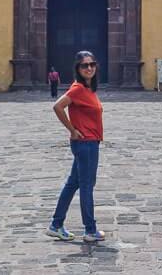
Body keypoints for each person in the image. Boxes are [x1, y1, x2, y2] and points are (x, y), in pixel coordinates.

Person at [47, 51, 106, 244]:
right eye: (84, 65)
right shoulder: (78, 89)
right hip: (86, 144)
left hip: (88, 143)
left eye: (92, 64)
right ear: (77, 69)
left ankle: (56, 225)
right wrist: (72, 130)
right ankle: (90, 230)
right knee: (87, 186)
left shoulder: (88, 89)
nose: (89, 68)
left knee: (73, 183)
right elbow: (57, 106)